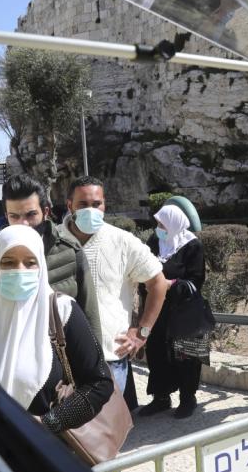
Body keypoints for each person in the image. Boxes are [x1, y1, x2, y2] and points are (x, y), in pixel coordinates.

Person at [0, 225, 113, 434]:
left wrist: (49, 422)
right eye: (8, 262)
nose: (19, 270)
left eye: (30, 263)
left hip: (47, 451)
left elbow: (99, 382)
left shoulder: (62, 311)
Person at [63, 176, 169, 403]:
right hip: (62, 360)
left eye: (97, 204)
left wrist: (142, 333)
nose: (91, 210)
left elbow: (158, 283)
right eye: (83, 204)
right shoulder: (52, 241)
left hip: (110, 358)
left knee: (108, 433)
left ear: (104, 204)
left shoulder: (122, 241)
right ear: (69, 205)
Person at [2, 174, 101, 343]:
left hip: (61, 357)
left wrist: (97, 366)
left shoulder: (70, 251)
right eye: (15, 216)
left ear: (45, 212)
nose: (23, 224)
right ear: (6, 216)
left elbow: (89, 316)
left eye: (31, 215)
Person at [138, 204, 208, 419]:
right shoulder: (154, 242)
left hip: (183, 310)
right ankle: (161, 397)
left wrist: (170, 284)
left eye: (162, 224)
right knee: (158, 353)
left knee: (186, 354)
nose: (158, 228)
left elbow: (197, 279)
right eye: (157, 223)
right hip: (157, 308)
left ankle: (188, 398)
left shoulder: (192, 245)